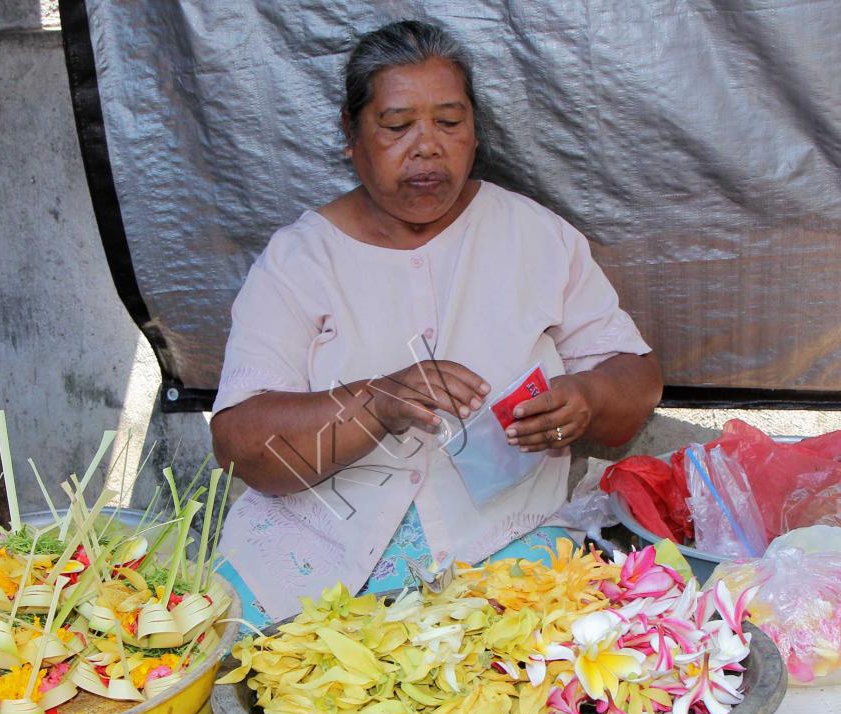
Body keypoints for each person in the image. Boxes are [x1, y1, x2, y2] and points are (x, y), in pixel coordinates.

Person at [210, 20, 661, 624]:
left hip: (505, 550)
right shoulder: (299, 261)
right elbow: (240, 445)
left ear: (475, 133)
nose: (427, 147)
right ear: (350, 133)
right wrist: (373, 403)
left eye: (450, 123)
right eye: (397, 126)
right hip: (315, 556)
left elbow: (633, 377)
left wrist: (587, 397)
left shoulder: (535, 236)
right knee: (279, 694)